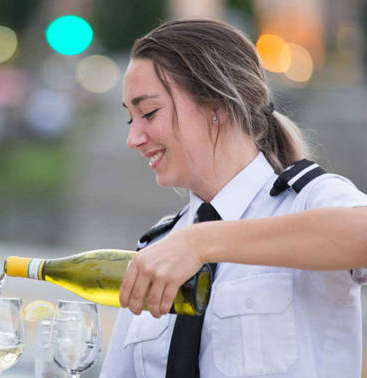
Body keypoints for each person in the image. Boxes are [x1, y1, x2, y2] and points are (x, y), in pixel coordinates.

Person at [100, 19, 367, 378]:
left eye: (149, 113)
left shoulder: (308, 200)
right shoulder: (159, 249)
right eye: (130, 119)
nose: (134, 138)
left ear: (217, 106)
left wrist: (202, 242)